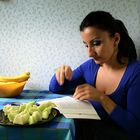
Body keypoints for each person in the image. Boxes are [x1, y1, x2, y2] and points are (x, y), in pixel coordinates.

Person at [49, 11, 140, 140]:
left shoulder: (135, 73)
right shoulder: (90, 67)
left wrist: (102, 98)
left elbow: (135, 128)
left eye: (96, 43)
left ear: (116, 39)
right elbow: (55, 88)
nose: (90, 53)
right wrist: (60, 72)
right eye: (86, 45)